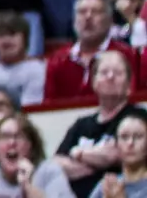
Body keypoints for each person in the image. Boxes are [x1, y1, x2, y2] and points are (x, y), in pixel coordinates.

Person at [54, 50, 146, 198]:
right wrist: (97, 162)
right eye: (104, 72)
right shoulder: (81, 124)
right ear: (94, 82)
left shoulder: (136, 117)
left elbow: (118, 154)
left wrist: (78, 153)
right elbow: (56, 165)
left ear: (129, 84)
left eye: (117, 72)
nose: (110, 77)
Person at [0, 110, 76, 198]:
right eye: (5, 137)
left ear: (31, 146)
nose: (12, 142)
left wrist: (28, 186)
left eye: (19, 136)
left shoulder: (49, 172)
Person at [99, 113, 147, 198]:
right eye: (124, 137)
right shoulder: (108, 185)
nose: (130, 143)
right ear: (116, 144)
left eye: (138, 137)